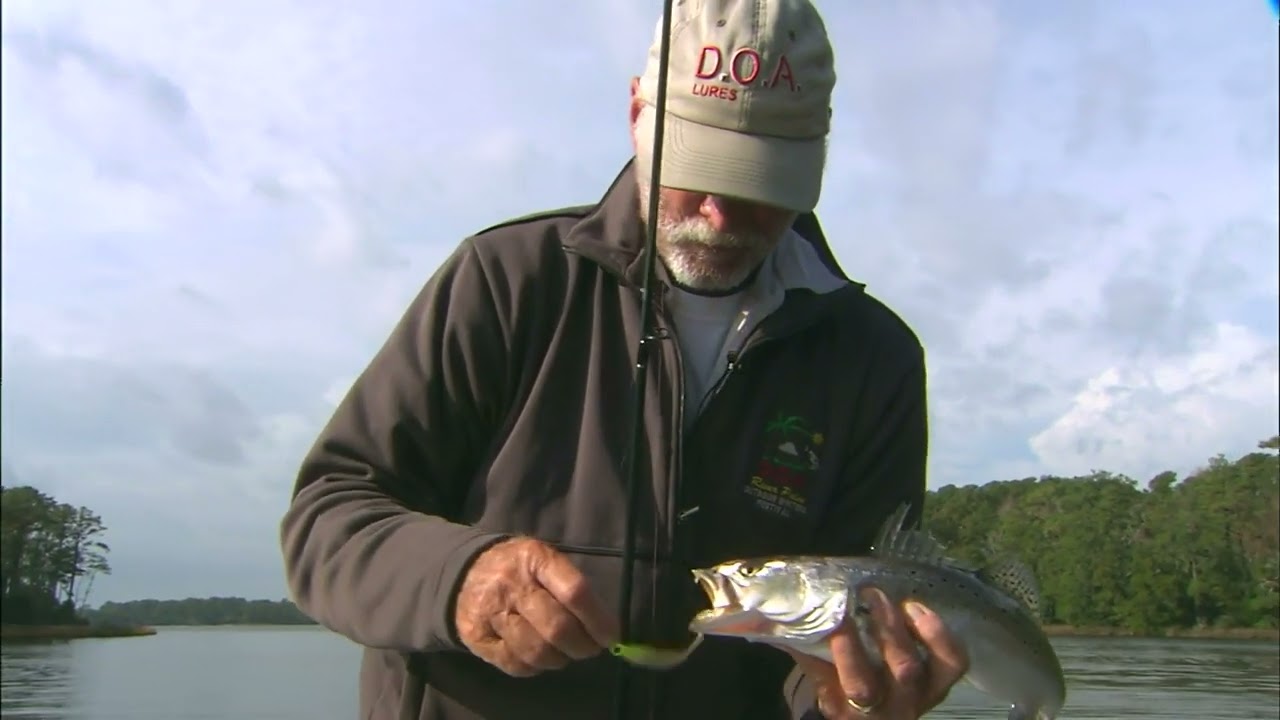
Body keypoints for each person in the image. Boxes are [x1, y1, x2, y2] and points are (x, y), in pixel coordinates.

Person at [280, 0, 968, 718]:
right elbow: (326, 519)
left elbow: (842, 644)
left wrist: (852, 703)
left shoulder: (875, 359)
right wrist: (459, 580)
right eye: (700, 168)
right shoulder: (506, 282)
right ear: (638, 112)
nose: (722, 215)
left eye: (761, 181)